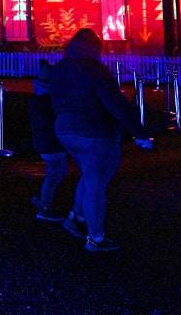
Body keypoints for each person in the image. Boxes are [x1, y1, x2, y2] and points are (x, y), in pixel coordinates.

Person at [49, 28, 154, 252]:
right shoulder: (95, 70)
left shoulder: (59, 69)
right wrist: (140, 132)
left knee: (88, 176)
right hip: (94, 132)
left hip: (65, 130)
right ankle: (95, 237)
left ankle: (77, 217)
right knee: (96, 184)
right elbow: (115, 103)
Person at [29, 58, 68, 222]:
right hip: (52, 144)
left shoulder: (38, 102)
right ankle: (45, 207)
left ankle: (44, 199)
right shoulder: (49, 104)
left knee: (59, 172)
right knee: (53, 175)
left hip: (48, 143)